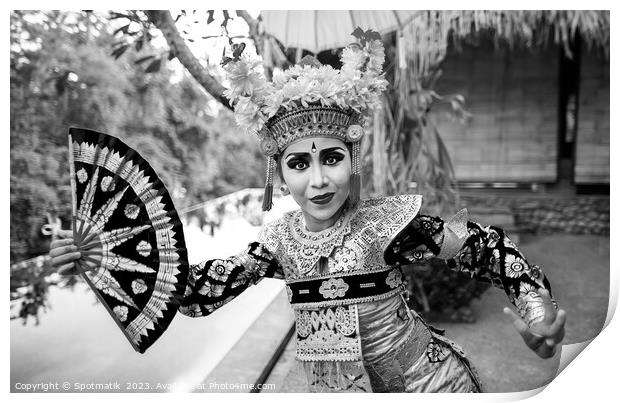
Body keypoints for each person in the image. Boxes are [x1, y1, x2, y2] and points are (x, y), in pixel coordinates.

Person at [49, 30, 565, 393]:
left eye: (332, 158)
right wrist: (105, 256)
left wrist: (537, 309)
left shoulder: (387, 226)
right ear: (280, 172)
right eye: (300, 163)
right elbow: (193, 290)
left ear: (351, 160)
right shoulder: (276, 245)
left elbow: (485, 248)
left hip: (428, 386)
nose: (318, 180)